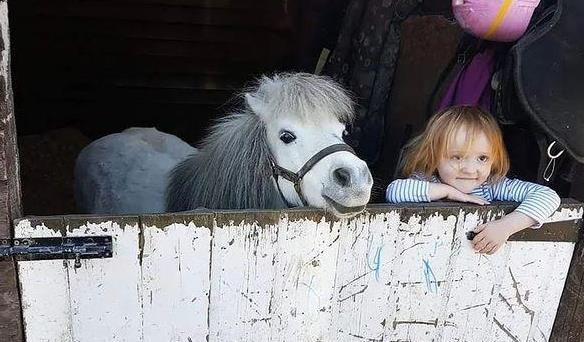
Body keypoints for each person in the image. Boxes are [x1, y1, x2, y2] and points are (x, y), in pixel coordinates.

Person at [386, 106, 560, 255]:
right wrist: (448, 191)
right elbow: (394, 192)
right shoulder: (428, 179)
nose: (469, 170)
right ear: (433, 157)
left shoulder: (492, 186)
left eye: (482, 158)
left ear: (494, 159)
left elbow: (548, 196)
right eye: (456, 157)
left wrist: (506, 226)